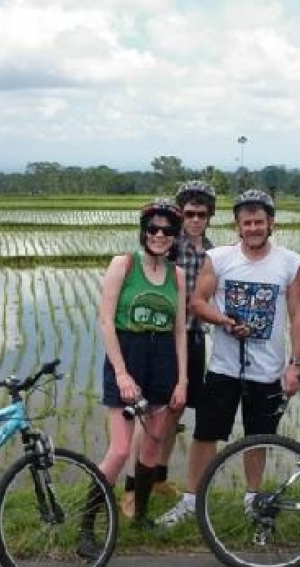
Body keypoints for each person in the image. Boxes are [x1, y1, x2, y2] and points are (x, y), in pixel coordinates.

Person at [157, 188, 300, 527]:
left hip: (267, 369)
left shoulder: (291, 263)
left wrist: (295, 365)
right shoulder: (220, 258)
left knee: (258, 436)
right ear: (237, 226)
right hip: (224, 366)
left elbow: (298, 316)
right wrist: (223, 320)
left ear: (271, 224)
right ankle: (192, 499)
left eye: (259, 222)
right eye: (246, 222)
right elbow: (198, 301)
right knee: (206, 433)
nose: (253, 228)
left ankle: (252, 498)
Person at [83, 199, 188, 539]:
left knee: (154, 442)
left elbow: (179, 331)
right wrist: (121, 373)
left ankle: (140, 514)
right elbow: (106, 321)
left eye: (168, 230)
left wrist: (182, 380)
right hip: (128, 355)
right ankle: (87, 525)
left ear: (174, 236)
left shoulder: (178, 274)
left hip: (163, 362)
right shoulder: (123, 264)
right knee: (120, 449)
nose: (160, 235)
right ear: (144, 231)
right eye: (154, 228)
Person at [119, 181, 216, 518]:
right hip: (161, 340)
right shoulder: (167, 247)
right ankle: (132, 488)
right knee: (149, 416)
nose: (195, 220)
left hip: (193, 338)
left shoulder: (212, 252)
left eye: (202, 214)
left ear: (210, 217)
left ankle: (157, 477)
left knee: (174, 413)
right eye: (189, 213)